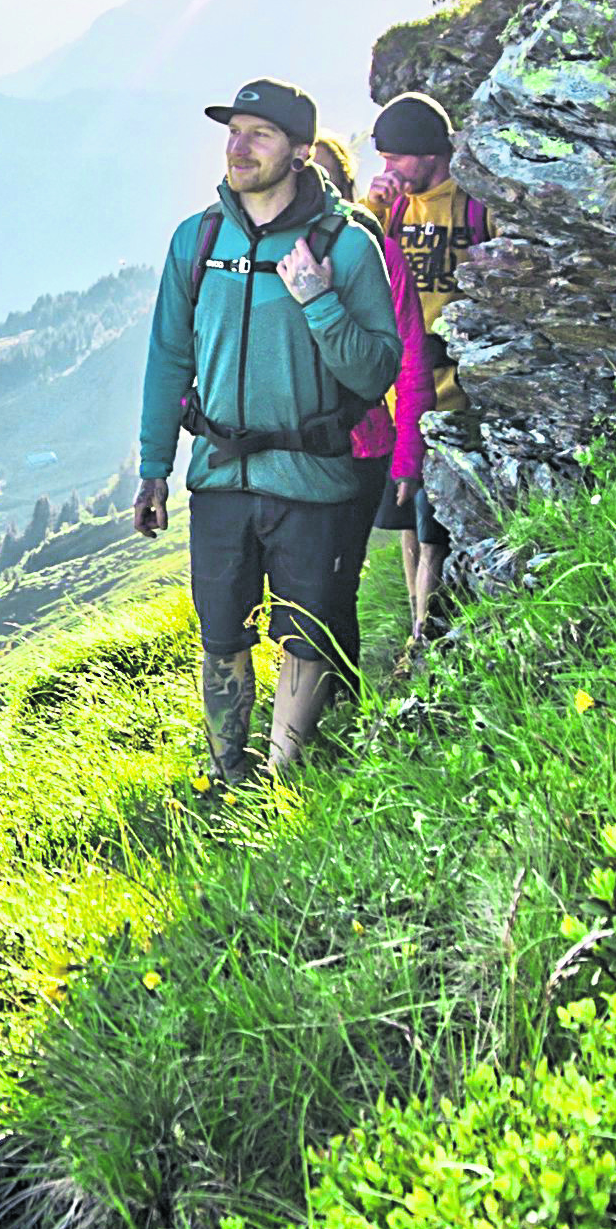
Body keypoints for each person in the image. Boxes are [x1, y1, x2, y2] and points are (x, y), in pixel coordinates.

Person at [135, 77, 403, 785]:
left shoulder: (346, 248)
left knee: (305, 639)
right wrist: (153, 468)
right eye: (233, 131)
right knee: (221, 636)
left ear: (302, 151)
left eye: (260, 134)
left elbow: (377, 370)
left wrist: (317, 302)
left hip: (313, 480)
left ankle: (282, 778)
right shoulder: (198, 240)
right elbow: (169, 356)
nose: (239, 146)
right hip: (219, 476)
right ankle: (229, 774)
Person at [364, 92, 479, 655]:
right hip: (403, 395)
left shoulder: (474, 202)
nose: (388, 171)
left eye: (396, 159)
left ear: (429, 153)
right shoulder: (393, 209)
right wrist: (375, 215)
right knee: (408, 525)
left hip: (457, 390)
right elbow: (364, 277)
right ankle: (420, 629)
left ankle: (423, 640)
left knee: (433, 530)